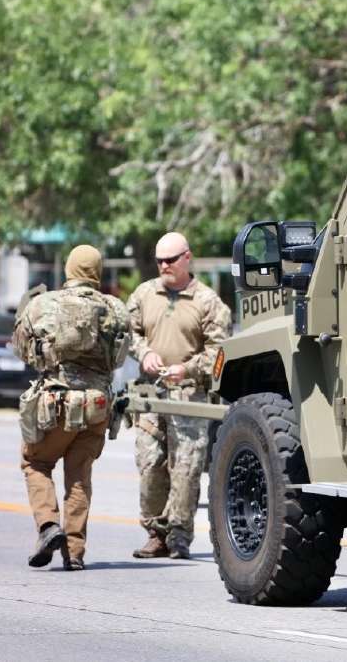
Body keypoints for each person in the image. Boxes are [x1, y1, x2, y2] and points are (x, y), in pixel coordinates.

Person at [12, 245, 130, 571]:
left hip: (56, 403)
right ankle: (74, 552)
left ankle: (49, 527)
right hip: (97, 405)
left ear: (68, 269)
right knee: (79, 477)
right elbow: (120, 358)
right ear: (97, 270)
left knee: (35, 462)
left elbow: (23, 348)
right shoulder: (115, 309)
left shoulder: (43, 304)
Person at [127, 232, 231, 560]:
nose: (164, 266)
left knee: (185, 468)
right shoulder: (145, 294)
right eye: (159, 260)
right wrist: (143, 353)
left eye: (170, 260)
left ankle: (179, 536)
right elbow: (128, 332)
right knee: (150, 464)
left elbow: (219, 352)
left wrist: (186, 370)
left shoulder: (208, 301)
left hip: (189, 395)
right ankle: (155, 534)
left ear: (188, 257)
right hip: (150, 393)